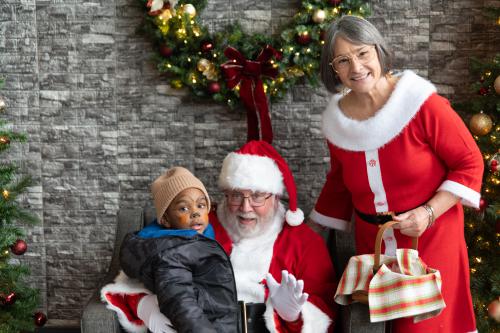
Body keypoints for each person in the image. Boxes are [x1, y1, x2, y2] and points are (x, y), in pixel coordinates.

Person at [309, 15, 483, 333]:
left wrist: (429, 213)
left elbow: (469, 162)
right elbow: (339, 182)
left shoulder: (422, 105)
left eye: (362, 53)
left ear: (379, 51)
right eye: (343, 60)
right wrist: (306, 234)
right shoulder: (337, 122)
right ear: (333, 68)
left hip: (430, 239)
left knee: (426, 327)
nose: (356, 67)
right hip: (372, 247)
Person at [103, 140, 337, 333]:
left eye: (257, 196)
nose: (246, 208)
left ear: (275, 197)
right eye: (236, 195)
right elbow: (142, 262)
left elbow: (329, 311)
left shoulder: (304, 241)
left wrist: (293, 315)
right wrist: (144, 305)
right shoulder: (198, 223)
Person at [101, 167, 239, 333]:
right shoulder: (173, 252)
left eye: (201, 205)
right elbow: (179, 300)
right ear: (166, 220)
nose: (195, 213)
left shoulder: (201, 239)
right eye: (184, 208)